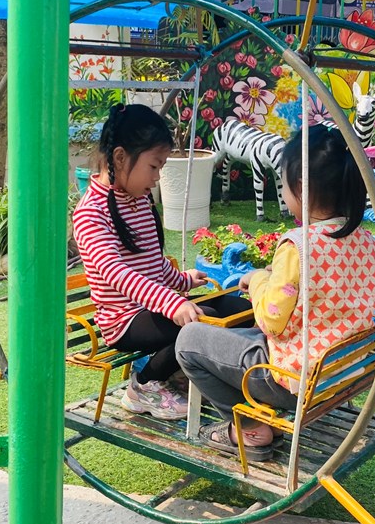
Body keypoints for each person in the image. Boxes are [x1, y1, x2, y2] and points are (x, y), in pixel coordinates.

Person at [175, 125, 375, 460]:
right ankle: (256, 417)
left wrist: (259, 280)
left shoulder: (298, 247)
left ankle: (249, 428)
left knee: (189, 340)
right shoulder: (369, 243)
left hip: (292, 380)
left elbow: (271, 320)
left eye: (283, 183)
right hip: (340, 375)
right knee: (239, 336)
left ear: (300, 187)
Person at [73, 103, 251, 419]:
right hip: (123, 320)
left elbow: (151, 262)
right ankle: (143, 386)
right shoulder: (90, 214)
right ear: (120, 157)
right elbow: (117, 273)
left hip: (153, 308)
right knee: (201, 321)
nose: (157, 178)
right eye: (154, 167)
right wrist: (171, 302)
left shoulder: (139, 199)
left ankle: (180, 374)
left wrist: (182, 281)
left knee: (239, 309)